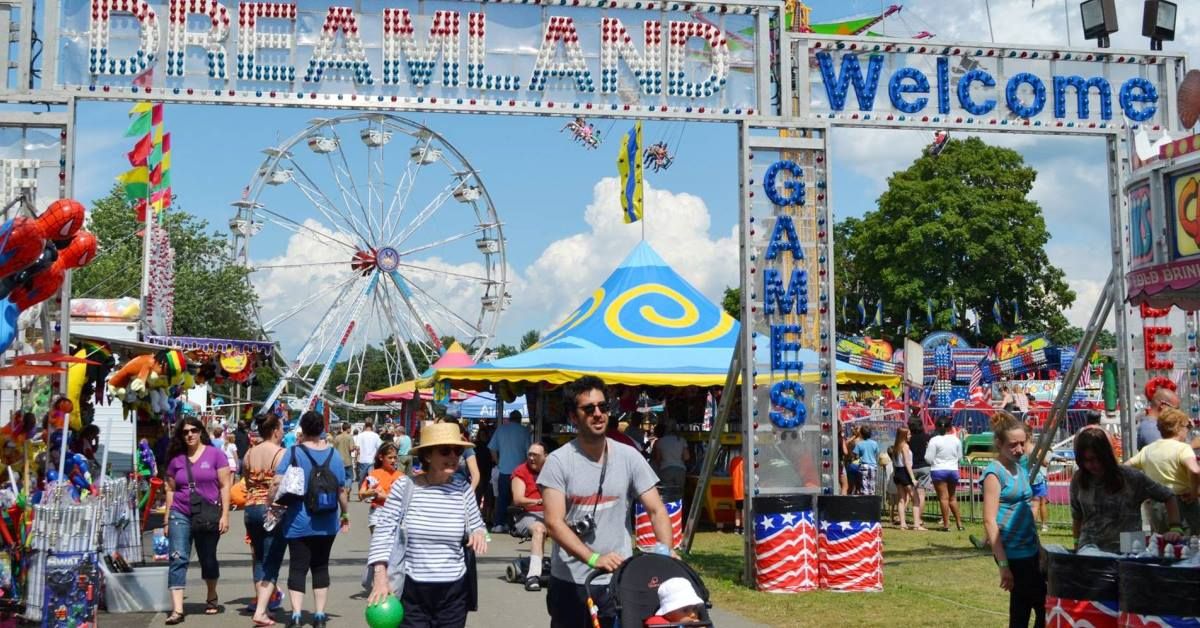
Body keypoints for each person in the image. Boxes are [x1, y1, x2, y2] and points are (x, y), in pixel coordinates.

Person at [540, 375, 676, 628]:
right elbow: (553, 523)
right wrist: (593, 559)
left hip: (619, 581)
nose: (598, 414)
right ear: (573, 417)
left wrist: (664, 556)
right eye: (588, 408)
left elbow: (656, 510)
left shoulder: (628, 456)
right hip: (571, 582)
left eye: (603, 407)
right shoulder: (558, 462)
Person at [367, 422, 488, 627]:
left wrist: (479, 532)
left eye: (457, 451)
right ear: (428, 455)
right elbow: (384, 532)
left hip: (454, 591)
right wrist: (380, 577)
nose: (453, 456)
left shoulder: (463, 489)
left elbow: (477, 525)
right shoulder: (405, 488)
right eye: (445, 451)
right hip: (413, 590)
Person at [276, 411, 350, 628]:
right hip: (327, 521)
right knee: (321, 566)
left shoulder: (293, 452)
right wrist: (345, 514)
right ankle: (319, 615)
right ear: (321, 429)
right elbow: (342, 490)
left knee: (297, 567)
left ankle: (297, 615)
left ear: (303, 429)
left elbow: (277, 483)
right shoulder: (334, 456)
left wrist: (272, 504)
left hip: (298, 520)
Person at [163, 416, 232, 624]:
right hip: (180, 512)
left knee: (207, 558)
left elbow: (224, 485)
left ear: (201, 431)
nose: (189, 435)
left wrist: (225, 514)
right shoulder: (176, 460)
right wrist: (167, 518)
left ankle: (211, 595)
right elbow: (170, 489)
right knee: (177, 557)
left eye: (193, 430)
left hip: (208, 513)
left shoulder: (216, 455)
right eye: (185, 432)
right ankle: (177, 609)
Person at [1071, 427, 1181, 552]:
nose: (1093, 465)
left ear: (1106, 455)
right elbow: (1077, 516)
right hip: (1090, 550)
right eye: (1087, 460)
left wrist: (1175, 528)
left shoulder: (1131, 477)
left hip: (1129, 550)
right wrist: (1076, 544)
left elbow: (1168, 495)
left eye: (1098, 459)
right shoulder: (1078, 479)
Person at [1127, 407, 1200, 533]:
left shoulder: (1148, 450)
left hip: (1156, 506)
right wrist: (1194, 493)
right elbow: (1194, 470)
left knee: (1162, 545)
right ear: (1179, 428)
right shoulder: (1183, 449)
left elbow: (1125, 467)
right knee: (1187, 546)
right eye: (1186, 427)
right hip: (1181, 504)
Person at [243, 415, 286, 627]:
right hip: (271, 510)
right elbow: (282, 485)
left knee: (258, 558)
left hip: (250, 508)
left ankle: (264, 606)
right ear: (276, 430)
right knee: (271, 560)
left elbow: (246, 479)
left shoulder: (250, 452)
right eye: (282, 427)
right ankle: (261, 611)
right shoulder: (281, 453)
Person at [512, 442, 548, 591]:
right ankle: (533, 576)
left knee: (573, 528)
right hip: (526, 513)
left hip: (550, 513)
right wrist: (539, 501)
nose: (532, 458)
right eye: (530, 454)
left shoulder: (553, 470)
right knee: (539, 529)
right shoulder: (521, 471)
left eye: (536, 455)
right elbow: (518, 499)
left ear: (545, 457)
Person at [488, 410, 532, 533]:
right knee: (517, 499)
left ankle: (499, 524)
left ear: (510, 418)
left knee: (502, 498)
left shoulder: (501, 429)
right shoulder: (524, 431)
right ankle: (513, 524)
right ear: (519, 419)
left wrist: (498, 462)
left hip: (504, 469)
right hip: (520, 472)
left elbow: (492, 449)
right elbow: (529, 452)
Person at [926, 418, 964, 531]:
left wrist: (934, 462)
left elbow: (928, 458)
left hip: (938, 470)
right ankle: (959, 523)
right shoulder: (956, 440)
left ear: (936, 427)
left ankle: (946, 524)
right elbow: (960, 457)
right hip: (953, 470)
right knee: (952, 498)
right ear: (950, 427)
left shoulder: (934, 440)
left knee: (943, 498)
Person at [359, 442, 403, 531]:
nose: (393, 460)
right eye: (390, 458)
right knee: (378, 544)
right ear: (381, 457)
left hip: (394, 515)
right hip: (376, 514)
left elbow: (404, 499)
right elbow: (361, 495)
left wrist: (383, 496)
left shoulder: (400, 476)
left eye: (395, 457)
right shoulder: (374, 474)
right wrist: (368, 493)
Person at [651, 421, 690, 502]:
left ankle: (670, 513)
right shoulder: (681, 440)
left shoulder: (660, 441)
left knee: (668, 495)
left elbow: (658, 459)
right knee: (679, 494)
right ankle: (680, 512)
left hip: (666, 470)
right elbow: (687, 457)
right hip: (680, 470)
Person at [893, 426, 915, 529]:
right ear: (904, 436)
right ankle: (916, 523)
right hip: (904, 472)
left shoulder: (896, 445)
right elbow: (907, 463)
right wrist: (913, 478)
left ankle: (902, 523)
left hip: (897, 472)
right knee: (914, 497)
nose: (910, 436)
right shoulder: (905, 446)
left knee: (901, 499)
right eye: (909, 434)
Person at [853, 426, 880, 496]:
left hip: (863, 465)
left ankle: (865, 500)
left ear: (861, 434)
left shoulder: (859, 444)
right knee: (872, 484)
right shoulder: (874, 443)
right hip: (873, 465)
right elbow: (877, 454)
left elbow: (856, 456)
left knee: (864, 485)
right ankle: (872, 499)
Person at [332, 422, 356, 487]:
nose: (351, 430)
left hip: (339, 461)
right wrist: (355, 447)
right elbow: (351, 449)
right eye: (350, 428)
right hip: (347, 461)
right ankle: (347, 489)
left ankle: (342, 489)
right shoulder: (350, 437)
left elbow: (333, 449)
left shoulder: (337, 437)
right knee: (350, 477)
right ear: (348, 429)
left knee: (341, 477)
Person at [730, 454, 745, 534]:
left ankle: (736, 528)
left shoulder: (733, 460)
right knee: (743, 510)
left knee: (738, 509)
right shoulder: (747, 461)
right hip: (744, 489)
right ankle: (743, 528)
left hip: (736, 489)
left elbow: (730, 472)